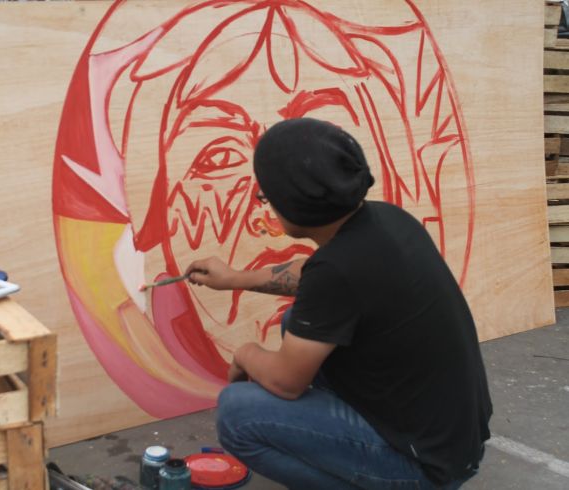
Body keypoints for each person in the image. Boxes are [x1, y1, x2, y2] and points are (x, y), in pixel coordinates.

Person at [186, 118, 492, 489]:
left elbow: (286, 383)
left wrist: (246, 353)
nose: (263, 205)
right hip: (450, 440)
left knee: (238, 414)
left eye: (265, 197)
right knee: (298, 321)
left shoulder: (337, 271)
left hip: (423, 467)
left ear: (291, 206)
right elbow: (315, 274)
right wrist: (235, 278)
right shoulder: (384, 219)